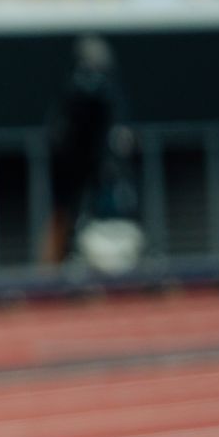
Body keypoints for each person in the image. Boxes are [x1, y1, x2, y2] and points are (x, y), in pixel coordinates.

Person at [45, 35, 127, 266]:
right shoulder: (79, 86)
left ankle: (82, 258)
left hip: (88, 161)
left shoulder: (97, 88)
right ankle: (57, 264)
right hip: (72, 163)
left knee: (87, 213)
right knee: (65, 215)